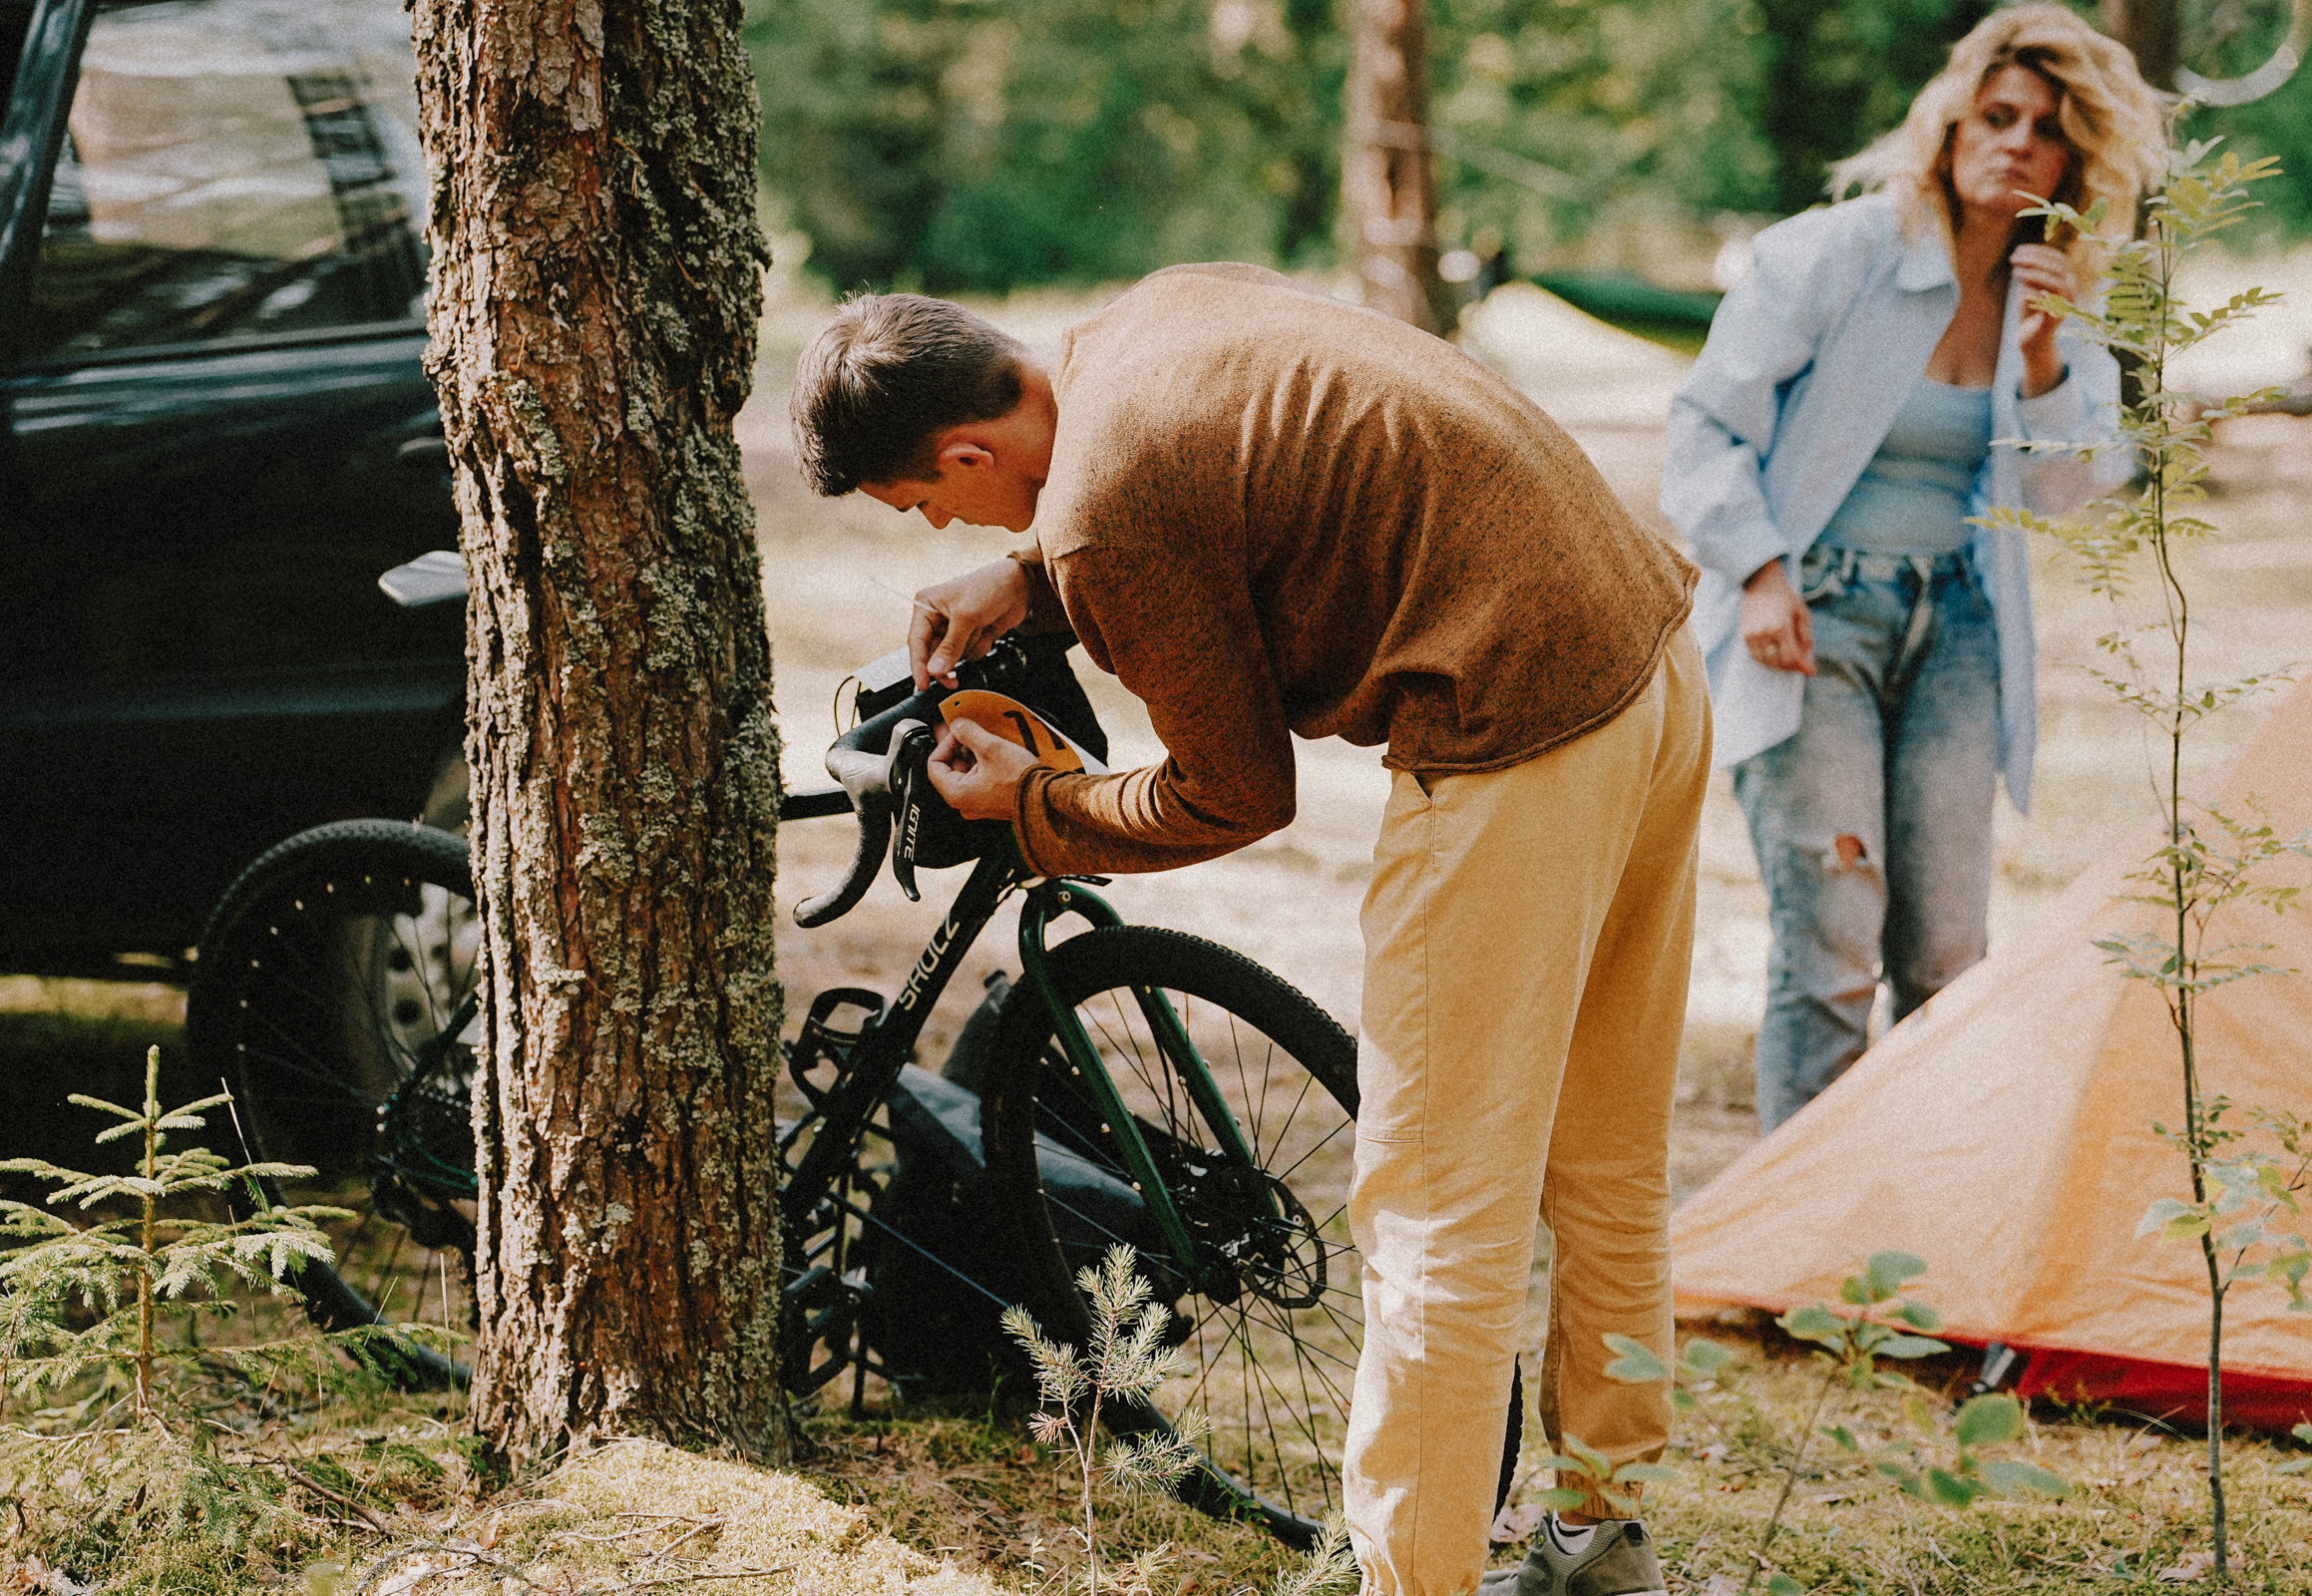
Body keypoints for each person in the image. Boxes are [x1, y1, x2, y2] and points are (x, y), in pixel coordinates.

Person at [791, 265, 1708, 1596]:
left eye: (928, 501)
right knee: (1604, 1149)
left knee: (1435, 1210)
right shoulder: (1147, 321)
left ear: (969, 448)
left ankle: (1416, 1581)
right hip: (1646, 664)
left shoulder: (1105, 515)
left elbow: (1232, 792)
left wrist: (1035, 802)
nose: (940, 526)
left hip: (1514, 730)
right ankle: (1601, 1544)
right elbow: (1223, 482)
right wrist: (1031, 578)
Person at [1662, 4, 2160, 1134]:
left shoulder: (2058, 293)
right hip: (1811, 621)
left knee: (1946, 957)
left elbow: (2071, 489)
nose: (2018, 143)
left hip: (1960, 632)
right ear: (1948, 126)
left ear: (2074, 160)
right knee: (1834, 945)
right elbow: (1703, 430)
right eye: (1997, 115)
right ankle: (1801, 1260)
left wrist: (2040, 359)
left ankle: (1915, 1245)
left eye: (2047, 128)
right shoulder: (1834, 255)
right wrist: (1757, 573)